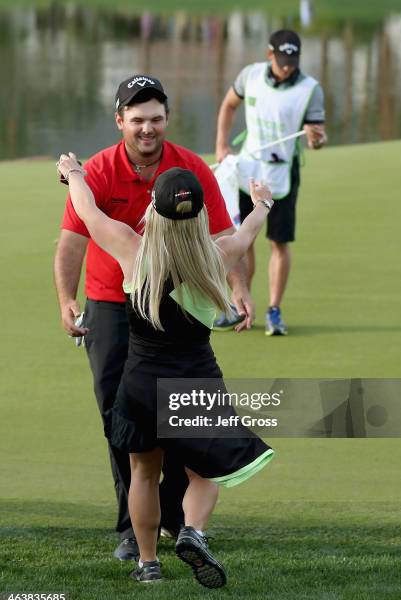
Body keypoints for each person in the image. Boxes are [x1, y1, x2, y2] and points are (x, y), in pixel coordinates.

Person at [54, 75, 253, 561]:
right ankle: (132, 528)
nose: (148, 129)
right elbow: (73, 240)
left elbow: (226, 232)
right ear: (120, 120)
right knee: (121, 420)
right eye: (138, 119)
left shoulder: (190, 169)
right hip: (110, 305)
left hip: (173, 306)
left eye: (157, 119)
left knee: (172, 420)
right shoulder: (101, 169)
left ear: (167, 119)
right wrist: (66, 298)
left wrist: (240, 287)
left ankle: (168, 522)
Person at [215, 30, 327, 335]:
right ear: (269, 55)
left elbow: (317, 139)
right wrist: (221, 144)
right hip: (247, 170)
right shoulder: (250, 75)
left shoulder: (310, 89)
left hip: (281, 176)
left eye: (292, 61)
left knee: (279, 242)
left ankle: (274, 311)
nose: (287, 66)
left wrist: (317, 139)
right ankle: (241, 305)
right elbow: (228, 105)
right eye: (281, 60)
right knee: (242, 240)